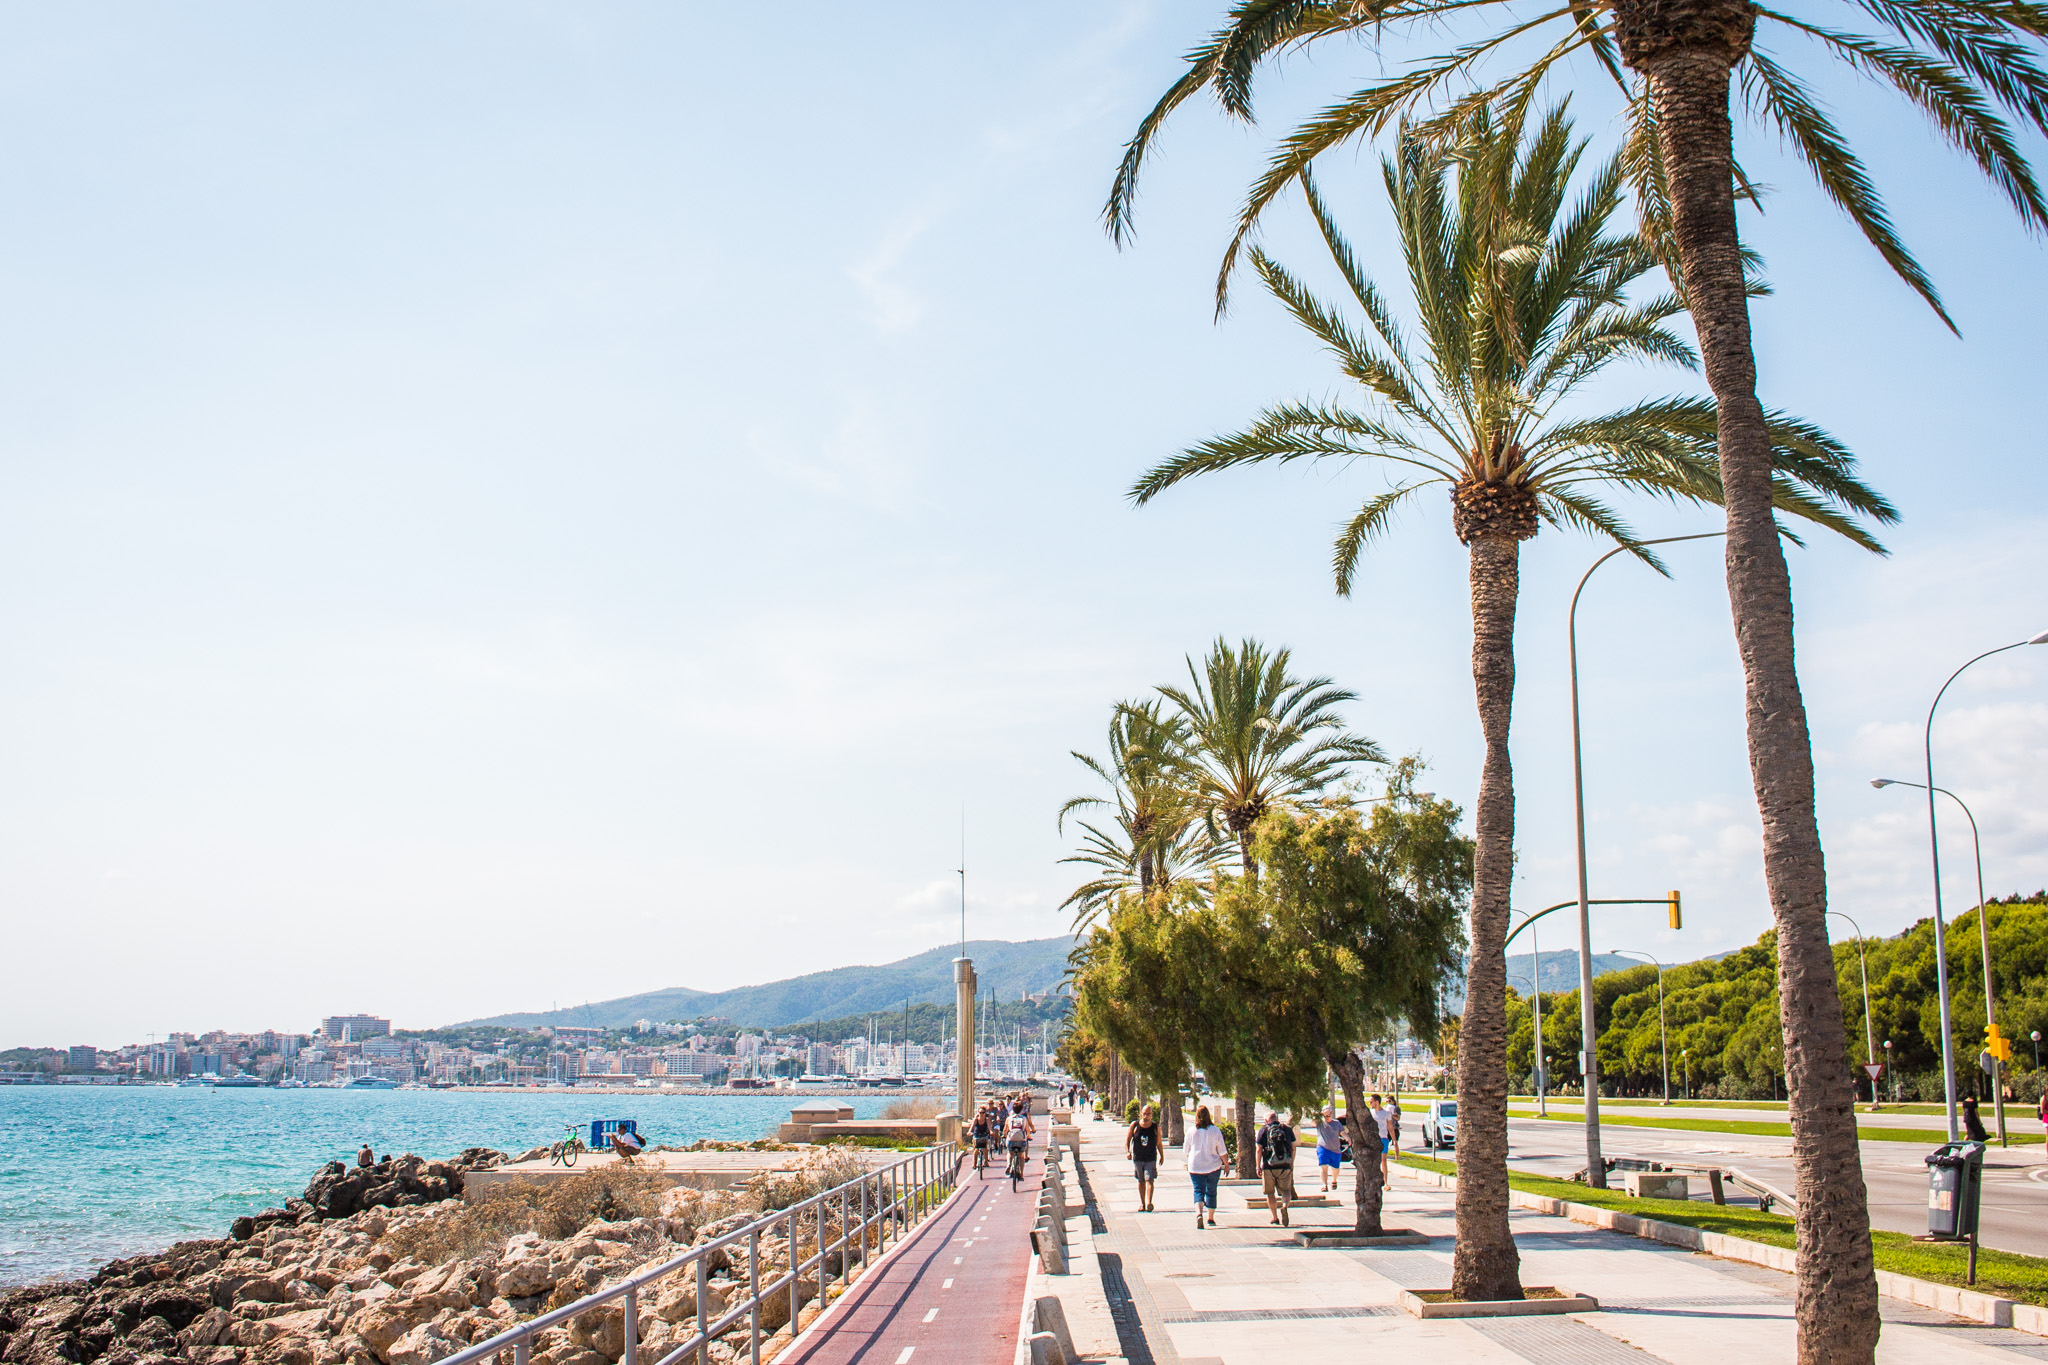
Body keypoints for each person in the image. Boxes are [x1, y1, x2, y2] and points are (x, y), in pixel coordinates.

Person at [1184, 1105, 1228, 1230]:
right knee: (1211, 1191)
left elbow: (1185, 1150)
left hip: (1195, 1166)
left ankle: (1199, 1214)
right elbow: (1222, 1151)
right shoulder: (1215, 1131)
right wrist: (1226, 1164)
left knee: (1198, 1191)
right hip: (1213, 1166)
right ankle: (1210, 1217)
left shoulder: (1191, 1131)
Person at [1256, 1110, 1297, 1227]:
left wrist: (1258, 1166)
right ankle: (1284, 1206)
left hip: (1269, 1166)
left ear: (1266, 1121)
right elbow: (1294, 1147)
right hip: (1285, 1165)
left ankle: (1274, 1217)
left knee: (1270, 1193)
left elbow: (1259, 1149)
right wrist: (1291, 1163)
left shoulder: (1263, 1130)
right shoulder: (1287, 1129)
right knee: (1286, 1190)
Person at [1127, 1103, 1162, 1211]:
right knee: (1141, 1181)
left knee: (1149, 1180)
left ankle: (1149, 1203)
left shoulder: (1155, 1127)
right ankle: (1142, 1203)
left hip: (1150, 1157)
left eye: (1148, 1114)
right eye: (1144, 1114)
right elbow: (1128, 1140)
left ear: (1152, 1114)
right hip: (1138, 1158)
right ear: (1141, 1114)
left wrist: (1162, 1155)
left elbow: (1159, 1142)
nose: (1146, 1116)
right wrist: (1128, 1151)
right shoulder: (1135, 1125)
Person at [1314, 1106, 1345, 1193]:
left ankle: (1334, 1180)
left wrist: (1348, 1138)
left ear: (1331, 1114)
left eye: (1329, 1115)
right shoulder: (1319, 1123)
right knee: (1323, 1166)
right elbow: (1312, 1123)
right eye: (1325, 1115)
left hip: (1335, 1149)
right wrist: (1318, 1115)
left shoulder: (1336, 1123)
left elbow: (1342, 1132)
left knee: (1335, 1168)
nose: (1327, 1117)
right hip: (1322, 1147)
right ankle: (1325, 1185)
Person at [1004, 1101, 1035, 1179]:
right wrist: (1028, 1136)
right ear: (1021, 1110)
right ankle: (1021, 1174)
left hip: (1011, 1140)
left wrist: (1004, 1135)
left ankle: (1008, 1165)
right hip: (1021, 1140)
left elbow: (1005, 1130)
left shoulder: (1009, 1118)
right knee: (1021, 1156)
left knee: (1010, 1153)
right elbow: (1027, 1130)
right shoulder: (1024, 1118)